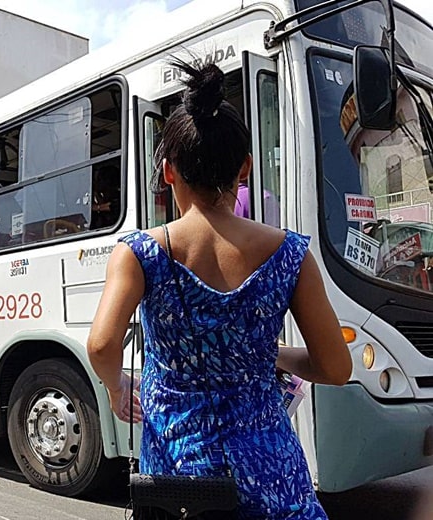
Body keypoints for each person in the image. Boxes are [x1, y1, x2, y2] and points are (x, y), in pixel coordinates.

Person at [87, 60, 351, 519]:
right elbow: (335, 368)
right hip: (270, 475)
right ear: (245, 167)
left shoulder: (139, 254)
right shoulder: (289, 254)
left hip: (179, 478)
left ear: (168, 172)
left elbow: (102, 344)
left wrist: (117, 387)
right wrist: (273, 355)